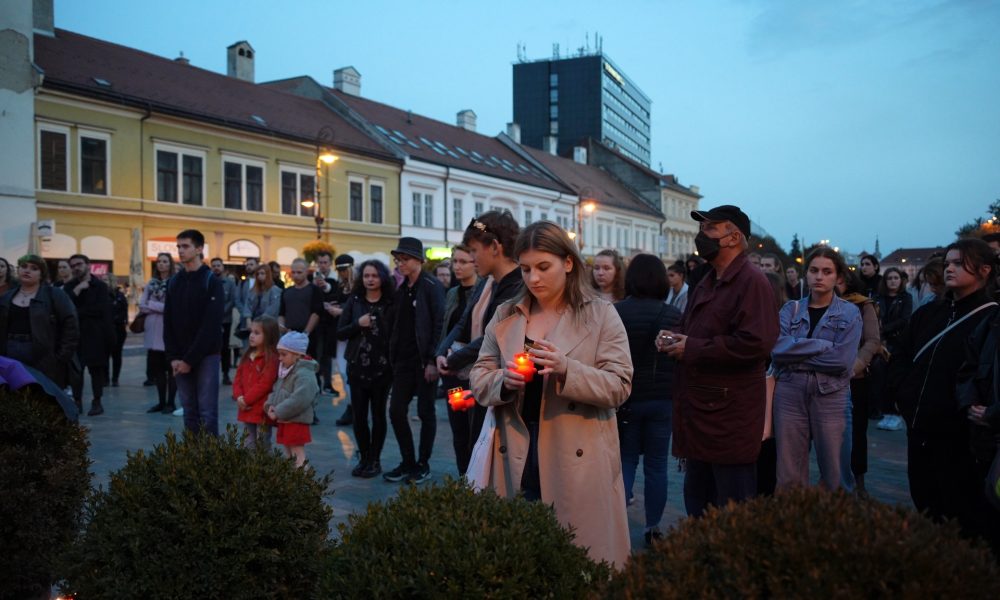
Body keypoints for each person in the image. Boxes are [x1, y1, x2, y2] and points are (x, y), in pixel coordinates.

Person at [471, 221, 634, 567]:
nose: (533, 279)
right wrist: (503, 380)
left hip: (577, 455)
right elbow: (479, 376)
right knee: (520, 556)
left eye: (544, 267)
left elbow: (620, 385)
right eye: (526, 269)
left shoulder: (601, 314)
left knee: (578, 557)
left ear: (569, 263)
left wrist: (567, 369)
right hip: (516, 451)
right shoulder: (506, 314)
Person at [658, 205, 779, 517]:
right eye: (702, 229)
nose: (702, 235)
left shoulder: (752, 281)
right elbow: (692, 328)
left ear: (734, 237)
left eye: (711, 229)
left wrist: (693, 348)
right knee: (699, 503)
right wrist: (673, 338)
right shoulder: (709, 280)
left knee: (731, 509)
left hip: (729, 420)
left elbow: (757, 343)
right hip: (700, 416)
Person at [890, 239, 998, 530]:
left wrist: (985, 410)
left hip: (961, 434)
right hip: (920, 426)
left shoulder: (992, 318)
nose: (949, 268)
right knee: (925, 501)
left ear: (985, 270)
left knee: (963, 510)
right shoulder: (929, 313)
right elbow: (899, 354)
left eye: (959, 263)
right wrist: (903, 393)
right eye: (948, 262)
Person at [436, 211, 523, 469]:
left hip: (502, 388)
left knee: (491, 459)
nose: (471, 260)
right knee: (468, 442)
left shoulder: (515, 285)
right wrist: (445, 353)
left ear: (495, 247)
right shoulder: (493, 283)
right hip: (480, 380)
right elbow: (464, 322)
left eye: (473, 251)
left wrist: (453, 359)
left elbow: (492, 336)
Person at [771, 248, 862, 490]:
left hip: (831, 395)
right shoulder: (790, 309)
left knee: (836, 474)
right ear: (806, 274)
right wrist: (822, 345)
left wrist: (796, 353)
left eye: (827, 271)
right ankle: (791, 526)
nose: (819, 276)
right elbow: (777, 349)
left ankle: (837, 526)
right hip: (789, 393)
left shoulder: (850, 312)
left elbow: (842, 361)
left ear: (837, 277)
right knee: (789, 474)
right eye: (814, 270)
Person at [614, 254, 681, 546]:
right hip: (662, 400)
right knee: (656, 465)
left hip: (626, 397)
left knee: (625, 459)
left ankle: (616, 522)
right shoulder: (673, 315)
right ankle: (653, 527)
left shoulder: (616, 312)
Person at [384, 237, 445, 484]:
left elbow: (440, 323)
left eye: (405, 259)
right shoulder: (402, 288)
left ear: (419, 260)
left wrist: (432, 359)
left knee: (425, 411)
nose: (400, 263)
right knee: (396, 411)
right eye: (399, 259)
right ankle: (408, 460)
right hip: (403, 362)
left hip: (423, 361)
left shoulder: (431, 286)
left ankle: (423, 463)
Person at [164, 229, 225, 435]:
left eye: (185, 246)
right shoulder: (174, 282)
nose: (180, 251)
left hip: (206, 355)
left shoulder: (211, 281)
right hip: (180, 358)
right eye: (178, 247)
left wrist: (189, 360)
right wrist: (173, 357)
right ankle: (192, 461)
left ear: (199, 249)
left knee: (207, 413)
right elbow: (168, 322)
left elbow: (211, 325)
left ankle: (209, 462)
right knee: (189, 412)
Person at [338, 260, 395, 478]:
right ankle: (363, 457)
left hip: (382, 369)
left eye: (374, 275)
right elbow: (340, 332)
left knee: (378, 415)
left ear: (382, 277)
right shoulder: (354, 301)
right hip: (357, 367)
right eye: (366, 276)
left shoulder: (391, 302)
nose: (370, 279)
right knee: (360, 416)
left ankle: (375, 459)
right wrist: (357, 324)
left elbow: (395, 333)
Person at [0, 255, 79, 394]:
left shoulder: (53, 294)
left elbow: (70, 325)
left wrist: (60, 357)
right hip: (10, 351)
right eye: (24, 267)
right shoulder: (7, 297)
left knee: (41, 394)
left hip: (42, 354)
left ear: (41, 274)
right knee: (15, 394)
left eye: (34, 268)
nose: (27, 271)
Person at [436, 244, 479, 475]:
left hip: (474, 370)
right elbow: (446, 328)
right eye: (455, 261)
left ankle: (476, 478)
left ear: (475, 263)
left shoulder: (482, 292)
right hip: (453, 372)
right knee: (459, 427)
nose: (457, 267)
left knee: (475, 428)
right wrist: (440, 355)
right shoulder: (453, 293)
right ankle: (465, 475)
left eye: (463, 262)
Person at [67, 254, 114, 416]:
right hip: (75, 336)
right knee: (76, 372)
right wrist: (77, 291)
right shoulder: (70, 287)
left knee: (96, 371)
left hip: (96, 335)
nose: (76, 268)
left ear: (88, 265)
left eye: (79, 264)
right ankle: (77, 401)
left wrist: (110, 338)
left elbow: (101, 310)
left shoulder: (100, 286)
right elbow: (66, 310)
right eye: (72, 266)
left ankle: (97, 402)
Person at [265, 331, 319, 468]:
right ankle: (292, 482)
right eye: (279, 354)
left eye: (284, 354)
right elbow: (276, 389)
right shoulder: (287, 369)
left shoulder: (304, 374)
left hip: (297, 421)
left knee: (297, 454)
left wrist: (278, 411)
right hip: (285, 419)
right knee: (288, 452)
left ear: (297, 355)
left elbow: (300, 399)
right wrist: (270, 404)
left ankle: (303, 484)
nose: (280, 358)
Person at [233, 315, 279, 449]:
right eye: (251, 332)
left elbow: (265, 384)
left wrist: (246, 400)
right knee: (248, 443)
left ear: (269, 336)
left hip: (262, 410)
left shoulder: (271, 358)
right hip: (246, 407)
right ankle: (249, 469)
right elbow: (237, 379)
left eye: (257, 333)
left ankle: (262, 469)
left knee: (262, 444)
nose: (251, 336)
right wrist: (239, 397)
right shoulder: (247, 355)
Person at [139, 253, 178, 414]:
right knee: (158, 371)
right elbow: (142, 305)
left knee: (171, 371)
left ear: (170, 264)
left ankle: (171, 402)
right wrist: (159, 306)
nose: (161, 264)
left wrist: (153, 305)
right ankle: (161, 402)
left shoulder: (175, 283)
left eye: (165, 261)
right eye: (159, 261)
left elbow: (173, 307)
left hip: (168, 331)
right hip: (151, 331)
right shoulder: (151, 283)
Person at [875, 267, 912, 431]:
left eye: (896, 278)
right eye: (889, 278)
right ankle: (885, 411)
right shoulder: (878, 298)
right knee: (881, 378)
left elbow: (904, 320)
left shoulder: (906, 298)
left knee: (895, 379)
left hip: (898, 343)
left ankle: (896, 414)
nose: (893, 281)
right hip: (881, 342)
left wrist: (885, 329)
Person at [330, 254, 356, 426]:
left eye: (343, 269)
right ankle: (352, 404)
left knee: (350, 371)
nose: (341, 273)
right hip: (341, 332)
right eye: (339, 270)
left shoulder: (357, 286)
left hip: (354, 333)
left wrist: (341, 311)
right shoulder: (341, 286)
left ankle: (354, 406)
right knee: (342, 370)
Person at [279, 258, 323, 338]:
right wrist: (284, 330)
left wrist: (305, 334)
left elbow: (316, 314)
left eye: (299, 272)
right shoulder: (286, 291)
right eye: (293, 272)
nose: (295, 275)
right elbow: (281, 313)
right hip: (288, 335)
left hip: (308, 336)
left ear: (306, 272)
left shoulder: (314, 290)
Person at [210, 258, 237, 386]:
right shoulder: (208, 281)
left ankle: (225, 374)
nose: (216, 268)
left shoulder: (230, 283)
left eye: (218, 265)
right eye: (214, 265)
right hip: (211, 322)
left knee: (225, 348)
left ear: (222, 267)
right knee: (211, 348)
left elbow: (232, 300)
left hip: (225, 320)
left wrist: (220, 313)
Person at [105, 272, 128, 387]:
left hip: (118, 328)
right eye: (103, 280)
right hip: (105, 329)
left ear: (112, 281)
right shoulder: (100, 294)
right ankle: (105, 378)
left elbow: (124, 311)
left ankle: (115, 378)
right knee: (104, 354)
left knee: (117, 354)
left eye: (106, 280)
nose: (104, 282)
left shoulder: (120, 295)